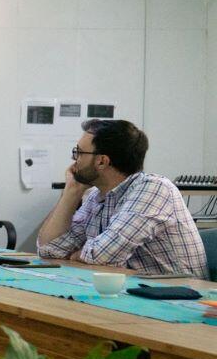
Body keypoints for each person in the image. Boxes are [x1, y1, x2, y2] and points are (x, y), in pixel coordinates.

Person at [37, 119, 207, 279]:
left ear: (102, 162)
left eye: (79, 152)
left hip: (180, 298)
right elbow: (49, 250)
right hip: (133, 291)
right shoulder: (96, 197)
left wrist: (75, 254)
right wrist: (72, 191)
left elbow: (102, 256)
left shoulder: (153, 188)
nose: (74, 160)